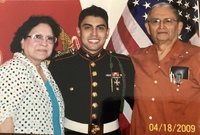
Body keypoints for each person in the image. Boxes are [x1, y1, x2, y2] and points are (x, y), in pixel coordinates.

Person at [49, 5, 134, 135]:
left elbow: (138, 104)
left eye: (100, 28)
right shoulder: (60, 64)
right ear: (79, 31)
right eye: (88, 27)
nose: (94, 34)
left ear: (107, 32)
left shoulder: (122, 63)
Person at [130, 2, 200, 135]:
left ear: (179, 27)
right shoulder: (135, 59)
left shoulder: (197, 58)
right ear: (148, 27)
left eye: (168, 21)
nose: (161, 26)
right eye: (155, 21)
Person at [0, 15, 65, 135]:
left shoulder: (45, 72)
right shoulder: (13, 70)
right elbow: (3, 121)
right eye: (37, 37)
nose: (44, 43)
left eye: (50, 38)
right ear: (22, 41)